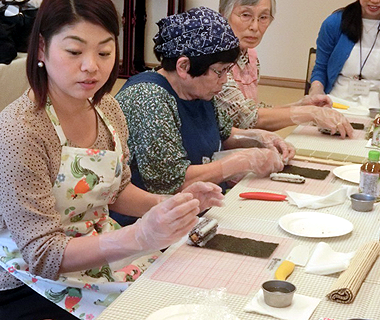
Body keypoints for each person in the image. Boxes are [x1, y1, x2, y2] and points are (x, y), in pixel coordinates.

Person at [0, 1, 225, 319]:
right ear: (41, 49)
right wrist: (139, 236)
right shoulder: (20, 130)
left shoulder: (108, 110)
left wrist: (170, 205)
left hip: (96, 249)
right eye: (74, 52)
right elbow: (43, 255)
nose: (91, 67)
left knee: (191, 293)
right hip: (23, 280)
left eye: (104, 52)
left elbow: (116, 191)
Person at [114, 7, 294, 224]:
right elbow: (170, 182)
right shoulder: (148, 97)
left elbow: (224, 133)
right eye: (221, 71)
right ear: (184, 66)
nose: (225, 79)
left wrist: (259, 137)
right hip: (155, 224)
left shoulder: (198, 89)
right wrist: (241, 161)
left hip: (201, 209)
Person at [215, 0, 354, 139]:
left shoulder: (249, 55)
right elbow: (246, 118)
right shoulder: (215, 56)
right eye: (245, 15)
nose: (255, 27)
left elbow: (253, 109)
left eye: (263, 17)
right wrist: (310, 113)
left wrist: (301, 105)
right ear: (223, 15)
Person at [309, 0, 380, 112]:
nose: (375, 1)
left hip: (378, 108)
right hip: (335, 103)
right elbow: (320, 69)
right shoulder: (334, 22)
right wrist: (316, 92)